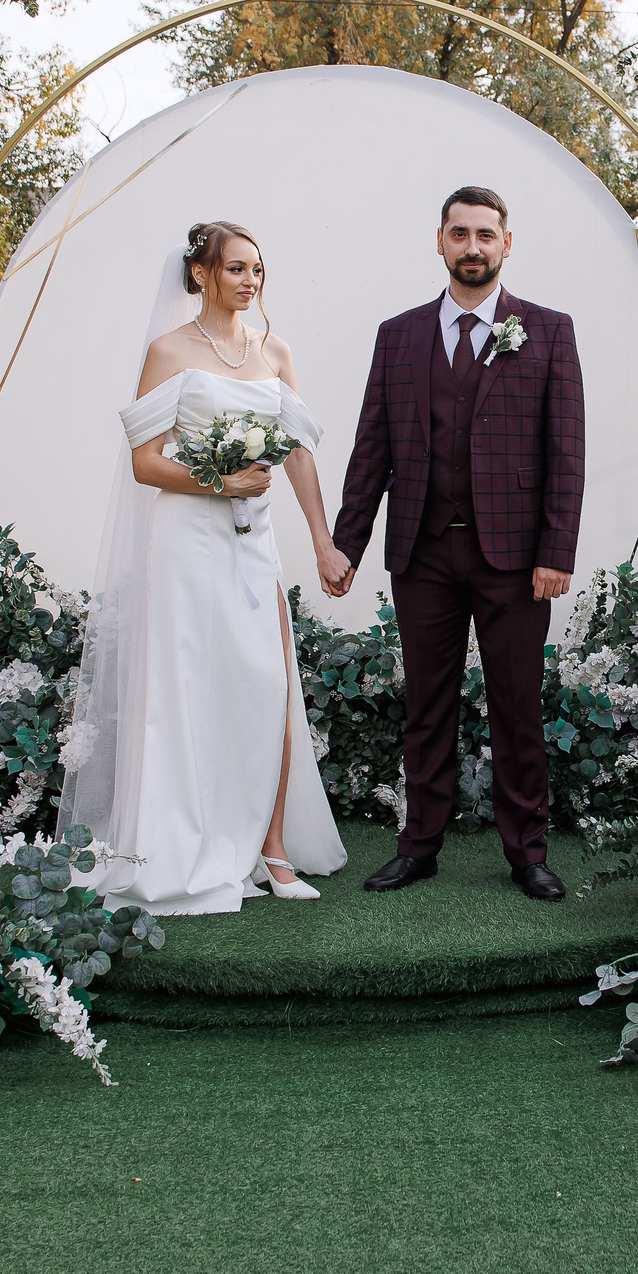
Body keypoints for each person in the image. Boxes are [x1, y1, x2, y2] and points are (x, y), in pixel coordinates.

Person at [59, 222, 351, 912]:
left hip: (253, 540)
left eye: (258, 270)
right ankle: (181, 840)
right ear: (202, 274)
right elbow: (145, 460)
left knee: (270, 683)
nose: (250, 280)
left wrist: (322, 540)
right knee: (186, 686)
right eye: (237, 268)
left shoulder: (275, 350)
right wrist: (222, 482)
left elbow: (299, 452)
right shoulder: (168, 352)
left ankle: (272, 848)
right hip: (186, 540)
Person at [326, 185, 586, 900]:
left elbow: (566, 450)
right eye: (460, 233)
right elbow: (370, 448)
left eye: (486, 235)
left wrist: (556, 550)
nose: (473, 246)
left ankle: (527, 851)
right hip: (423, 551)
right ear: (439, 241)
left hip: (515, 559)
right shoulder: (397, 334)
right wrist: (347, 542)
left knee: (516, 704)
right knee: (427, 704)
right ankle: (420, 845)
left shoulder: (548, 330)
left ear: (507, 243)